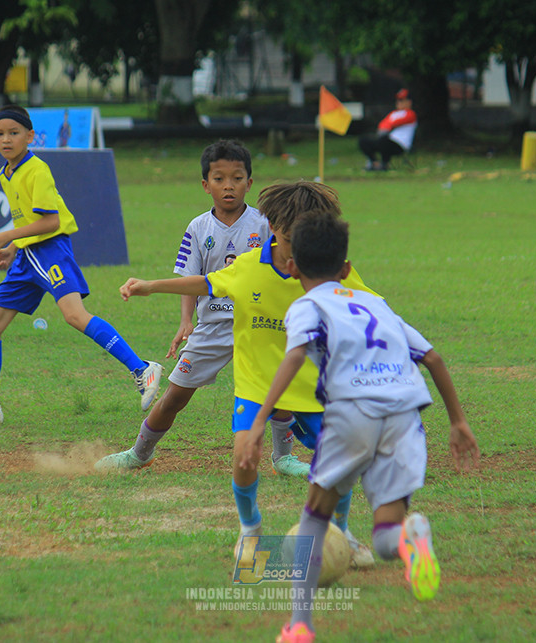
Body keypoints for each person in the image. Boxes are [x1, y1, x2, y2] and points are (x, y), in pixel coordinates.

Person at [239, 211, 480, 643]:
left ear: (292, 267)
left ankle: (300, 626)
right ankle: (411, 536)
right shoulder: (376, 304)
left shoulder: (306, 306)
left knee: (314, 516)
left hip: (353, 411)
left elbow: (293, 357)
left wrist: (260, 421)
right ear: (347, 269)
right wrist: (459, 422)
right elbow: (434, 358)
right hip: (406, 415)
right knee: (387, 536)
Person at [116, 182, 376, 564]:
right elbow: (206, 283)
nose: (296, 253)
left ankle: (343, 534)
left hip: (313, 385)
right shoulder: (249, 268)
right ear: (271, 227)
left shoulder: (328, 269)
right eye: (289, 241)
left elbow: (371, 306)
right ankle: (250, 532)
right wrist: (151, 287)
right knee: (243, 456)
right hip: (256, 383)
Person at [95, 140, 310, 478]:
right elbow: (194, 280)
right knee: (174, 398)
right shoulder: (198, 228)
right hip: (212, 326)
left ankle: (283, 457)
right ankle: (139, 453)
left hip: (258, 324)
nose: (229, 186)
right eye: (220, 178)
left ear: (249, 184)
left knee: (276, 391)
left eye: (237, 178)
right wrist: (186, 320)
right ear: (205, 185)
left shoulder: (265, 224)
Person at [0, 104, 162, 426]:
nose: (6, 140)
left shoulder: (37, 170)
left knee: (75, 316)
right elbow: (29, 219)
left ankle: (143, 368)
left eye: (14, 133)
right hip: (27, 255)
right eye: (0, 134)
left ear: (30, 136)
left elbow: (50, 222)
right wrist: (12, 248)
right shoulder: (6, 173)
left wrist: (8, 235)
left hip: (49, 251)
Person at [358, 88, 417, 171]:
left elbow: (393, 123)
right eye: (398, 100)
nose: (398, 103)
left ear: (409, 102)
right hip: (386, 139)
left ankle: (384, 164)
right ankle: (374, 162)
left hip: (400, 144)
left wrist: (387, 126)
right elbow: (382, 124)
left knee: (384, 140)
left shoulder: (410, 114)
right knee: (364, 141)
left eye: (401, 100)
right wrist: (386, 126)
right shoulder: (393, 113)